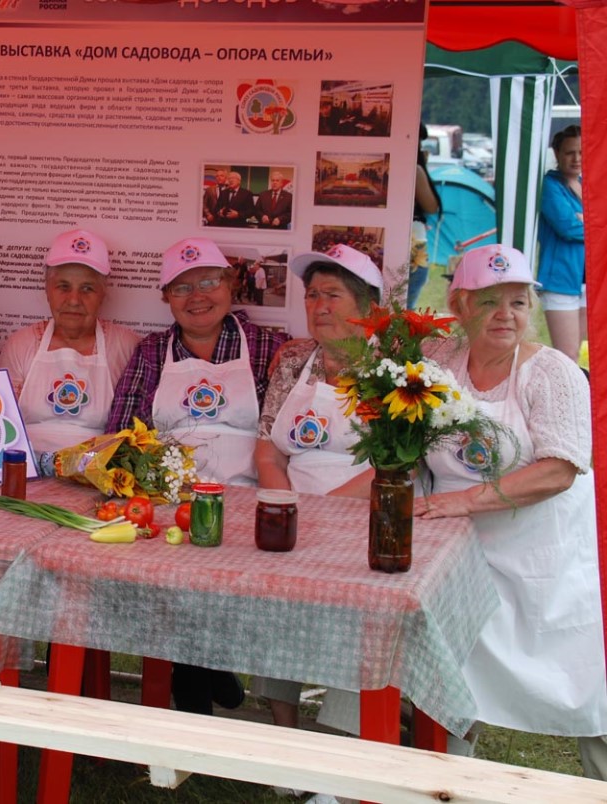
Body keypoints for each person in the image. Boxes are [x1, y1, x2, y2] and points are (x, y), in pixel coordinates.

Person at [417, 244, 607, 777]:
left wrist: (462, 502)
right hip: (458, 550)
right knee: (452, 671)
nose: (506, 315)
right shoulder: (436, 360)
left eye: (518, 302)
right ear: (459, 306)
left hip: (545, 555)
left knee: (583, 684)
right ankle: (444, 780)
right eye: (489, 301)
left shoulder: (552, 372)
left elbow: (559, 469)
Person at [107, 236, 288, 717]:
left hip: (246, 499)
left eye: (208, 282)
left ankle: (200, 675)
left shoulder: (270, 347)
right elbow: (121, 431)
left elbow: (287, 431)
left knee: (218, 577)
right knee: (173, 577)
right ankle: (202, 676)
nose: (197, 297)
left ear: (230, 285)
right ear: (166, 297)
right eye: (182, 288)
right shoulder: (152, 351)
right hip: (171, 501)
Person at [250, 243, 382, 735]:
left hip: (364, 521)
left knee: (363, 623)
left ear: (368, 308)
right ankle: (283, 730)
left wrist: (324, 514)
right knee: (277, 606)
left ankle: (339, 739)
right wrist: (285, 508)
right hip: (291, 517)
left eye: (333, 295)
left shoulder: (394, 367)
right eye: (312, 295)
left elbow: (396, 466)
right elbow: (268, 451)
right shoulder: (294, 361)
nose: (319, 306)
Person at [0, 228, 140, 454]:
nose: (74, 300)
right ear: (47, 289)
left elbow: (135, 429)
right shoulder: (21, 344)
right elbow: (2, 423)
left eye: (87, 288)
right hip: (27, 466)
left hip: (100, 469)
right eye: (63, 287)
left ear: (103, 294)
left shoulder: (126, 346)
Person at [536, 124, 585, 362]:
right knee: (568, 356)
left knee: (586, 353)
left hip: (589, 281)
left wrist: (584, 220)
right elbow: (567, 227)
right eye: (570, 152)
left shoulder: (588, 184)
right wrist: (592, 223)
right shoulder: (549, 185)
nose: (577, 158)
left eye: (582, 152)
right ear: (557, 153)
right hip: (560, 281)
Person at [407, 123, 442, 310]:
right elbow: (431, 206)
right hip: (414, 248)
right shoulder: (414, 169)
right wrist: (423, 169)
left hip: (408, 248)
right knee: (404, 311)